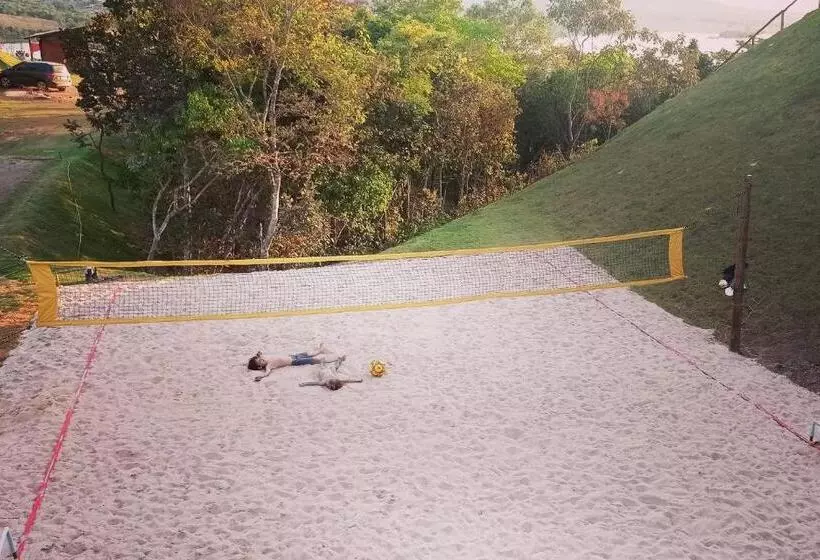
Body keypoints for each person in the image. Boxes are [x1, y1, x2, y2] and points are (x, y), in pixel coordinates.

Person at [248, 344, 345, 382]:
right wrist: (261, 377)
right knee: (314, 360)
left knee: (309, 353)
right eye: (260, 362)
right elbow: (267, 372)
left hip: (293, 356)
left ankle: (320, 350)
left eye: (260, 359)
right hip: (294, 362)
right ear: (261, 367)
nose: (261, 359)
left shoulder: (264, 358)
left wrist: (258, 354)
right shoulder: (269, 365)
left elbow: (259, 355)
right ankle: (334, 358)